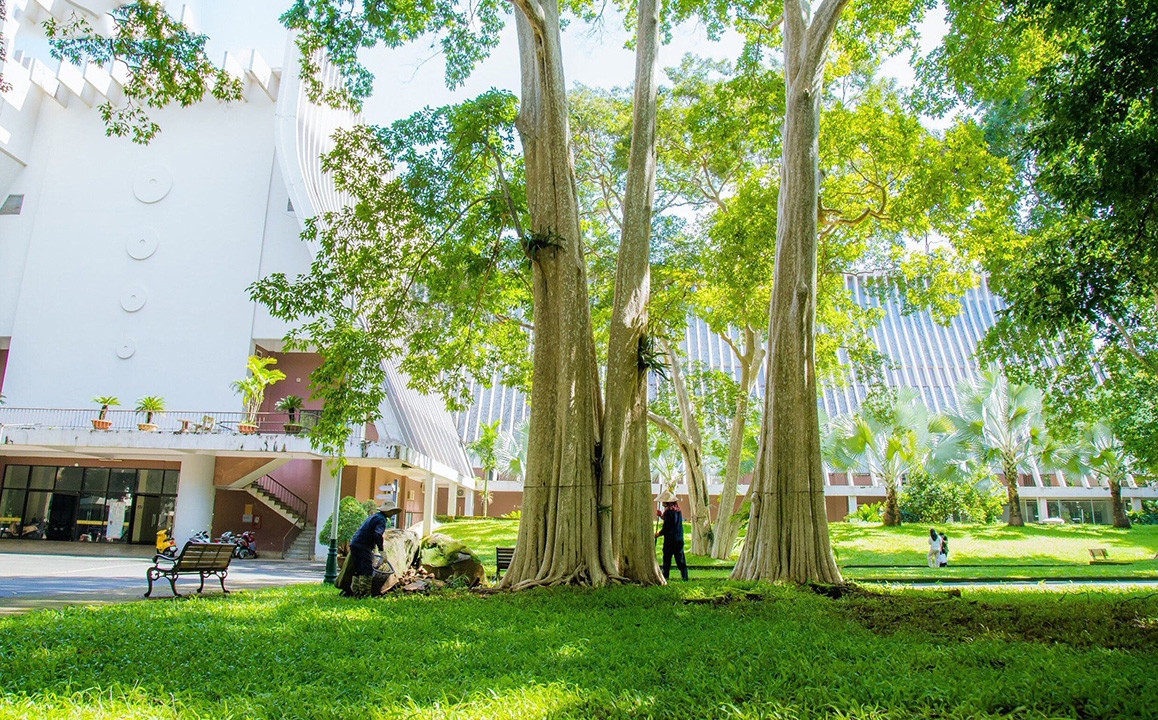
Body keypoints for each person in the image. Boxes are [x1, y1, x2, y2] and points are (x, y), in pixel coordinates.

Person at [345, 501, 402, 597]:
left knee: (357, 570)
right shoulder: (381, 520)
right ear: (386, 511)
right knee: (366, 570)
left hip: (355, 544)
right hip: (364, 546)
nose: (392, 514)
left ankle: (355, 594)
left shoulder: (374, 517)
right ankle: (364, 595)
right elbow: (377, 534)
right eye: (391, 511)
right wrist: (381, 550)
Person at [654, 490, 689, 581]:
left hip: (670, 540)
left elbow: (668, 526)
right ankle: (685, 577)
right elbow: (672, 522)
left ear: (667, 502)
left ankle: (665, 577)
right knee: (680, 559)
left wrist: (659, 534)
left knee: (667, 559)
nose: (662, 503)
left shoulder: (669, 512)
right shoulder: (677, 510)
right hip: (679, 539)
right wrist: (661, 516)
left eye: (663, 501)